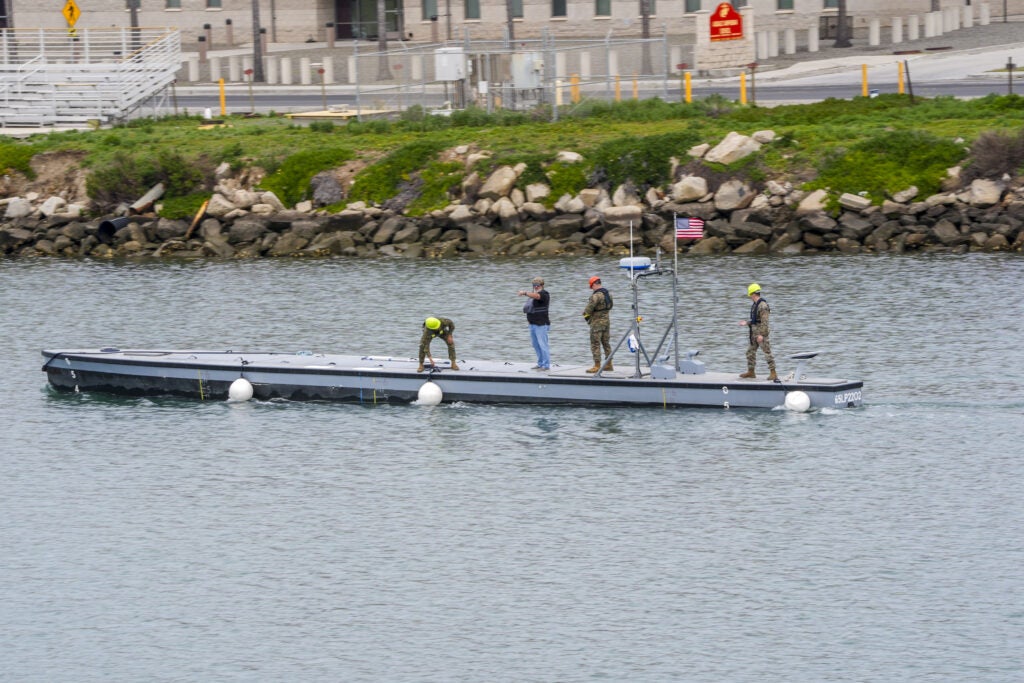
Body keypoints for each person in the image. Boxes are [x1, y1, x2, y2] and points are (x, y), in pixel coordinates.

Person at [739, 283, 777, 381]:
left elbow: (764, 322)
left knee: (767, 352)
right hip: (754, 333)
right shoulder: (755, 305)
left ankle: (773, 373)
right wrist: (747, 323)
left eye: (750, 295)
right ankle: (751, 372)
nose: (750, 297)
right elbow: (756, 320)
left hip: (761, 334)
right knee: (750, 352)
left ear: (753, 294)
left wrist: (761, 335)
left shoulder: (763, 306)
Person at [517, 276, 550, 370]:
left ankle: (546, 365)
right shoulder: (532, 296)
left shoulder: (544, 294)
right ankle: (540, 363)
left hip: (541, 324)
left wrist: (525, 293)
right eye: (534, 285)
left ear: (542, 285)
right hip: (532, 324)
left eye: (538, 285)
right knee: (535, 345)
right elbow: (530, 309)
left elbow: (537, 296)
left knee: (543, 345)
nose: (536, 287)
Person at [582, 276, 613, 373]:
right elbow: (610, 306)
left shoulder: (596, 296)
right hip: (606, 321)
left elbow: (587, 311)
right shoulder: (608, 294)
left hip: (597, 323)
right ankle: (609, 364)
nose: (592, 289)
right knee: (606, 343)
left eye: (591, 287)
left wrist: (588, 319)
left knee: (595, 344)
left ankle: (597, 365)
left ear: (594, 284)